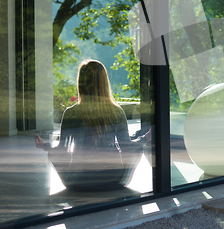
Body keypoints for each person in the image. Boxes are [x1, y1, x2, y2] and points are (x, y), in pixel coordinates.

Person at [35, 59, 150, 191]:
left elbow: (62, 151)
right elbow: (127, 147)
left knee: (52, 154)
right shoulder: (116, 112)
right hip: (113, 178)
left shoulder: (71, 113)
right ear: (105, 82)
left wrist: (45, 146)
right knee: (138, 148)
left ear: (81, 83)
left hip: (79, 180)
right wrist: (145, 138)